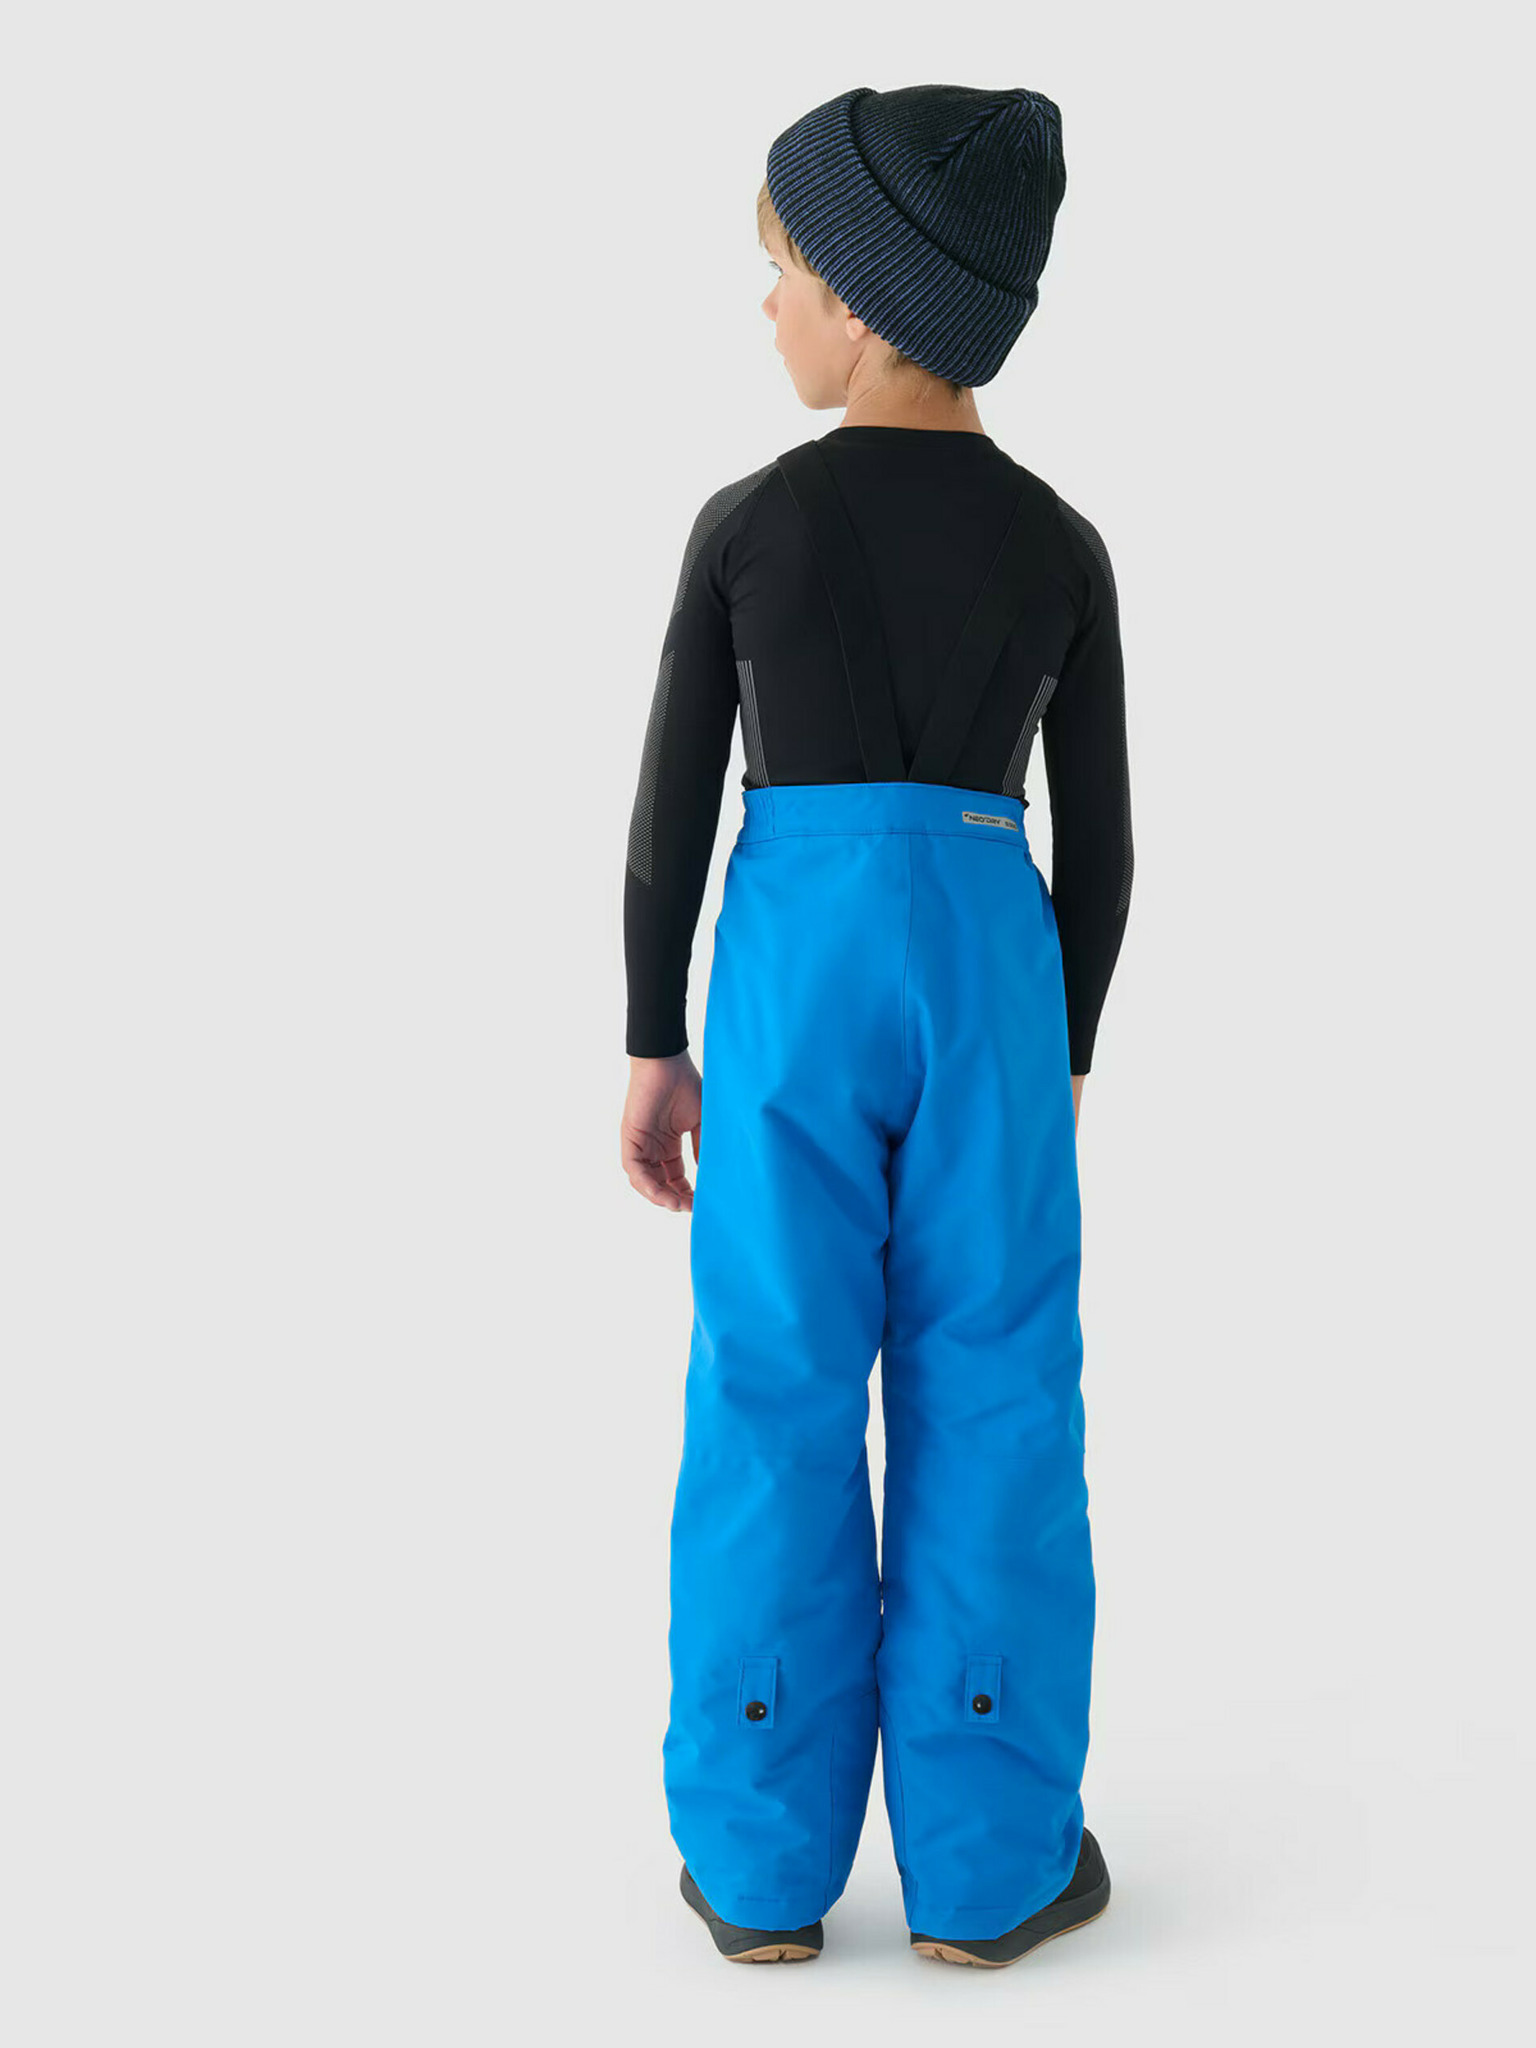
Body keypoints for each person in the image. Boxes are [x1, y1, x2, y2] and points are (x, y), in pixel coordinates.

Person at [620, 82, 1132, 1969]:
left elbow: (673, 809)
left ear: (863, 294)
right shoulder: (1061, 546)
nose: (767, 304)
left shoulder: (751, 526)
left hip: (793, 976)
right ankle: (991, 1873)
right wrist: (1056, 1063)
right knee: (996, 1385)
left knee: (772, 1377)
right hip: (992, 968)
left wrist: (651, 1038)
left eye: (782, 270)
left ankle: (759, 1871)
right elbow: (1107, 843)